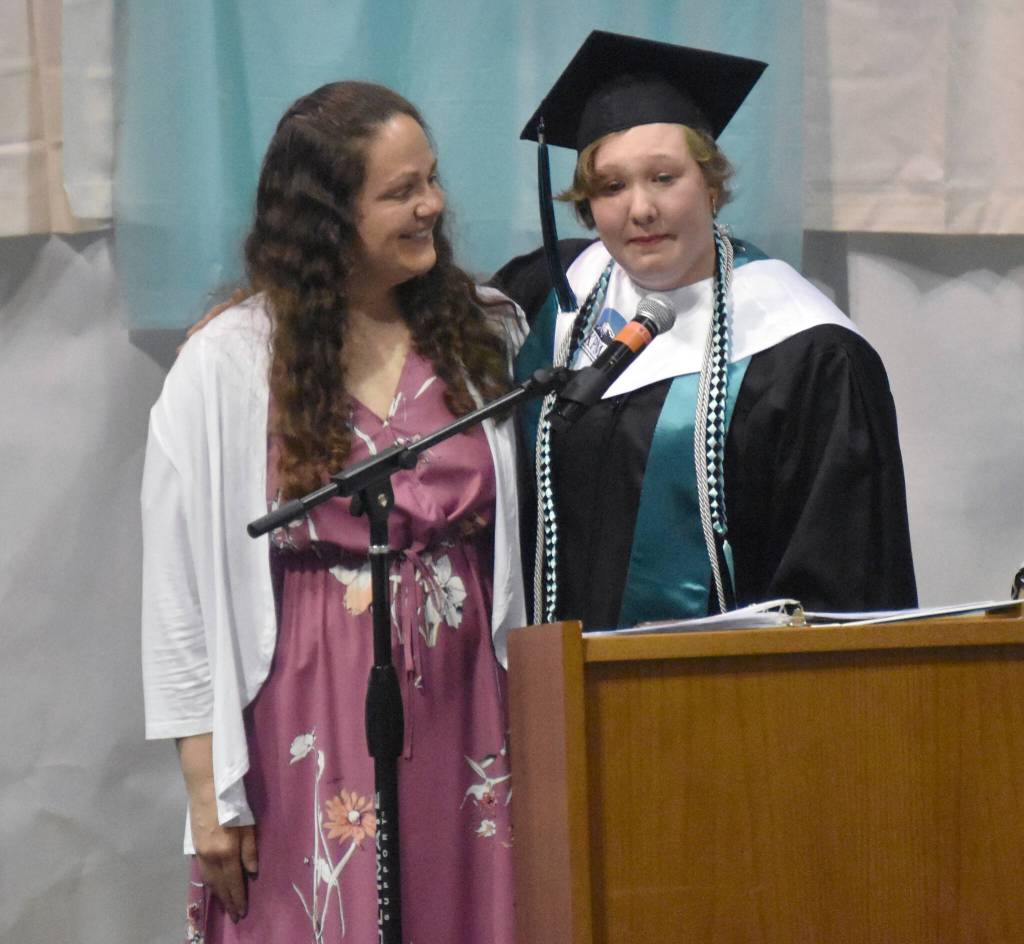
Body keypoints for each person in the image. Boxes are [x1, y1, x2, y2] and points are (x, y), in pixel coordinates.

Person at [141, 81, 526, 943]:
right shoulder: (229, 365)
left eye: (431, 179)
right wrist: (206, 794)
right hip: (306, 703)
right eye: (400, 192)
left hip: (469, 697)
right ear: (327, 220)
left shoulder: (488, 332)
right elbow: (177, 596)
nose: (432, 205)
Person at [502, 31, 917, 628]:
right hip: (554, 671)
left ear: (711, 185)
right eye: (612, 186)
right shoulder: (551, 294)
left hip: (724, 679)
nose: (640, 209)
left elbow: (840, 587)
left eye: (664, 177)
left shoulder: (806, 355)